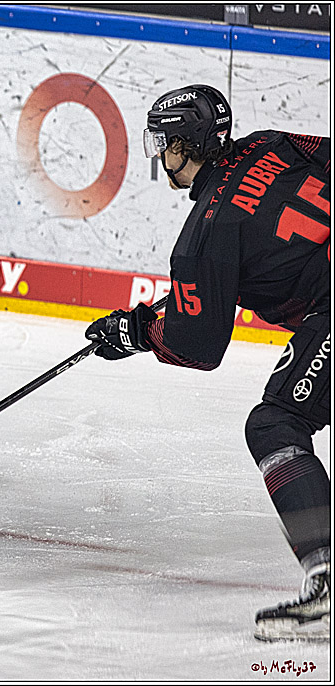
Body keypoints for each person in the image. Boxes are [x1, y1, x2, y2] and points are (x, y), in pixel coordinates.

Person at [84, 84, 330, 642]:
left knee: (276, 425)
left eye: (163, 142)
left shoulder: (205, 234)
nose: (160, 155)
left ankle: (328, 579)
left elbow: (197, 344)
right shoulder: (270, 143)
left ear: (183, 146)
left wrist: (137, 332)